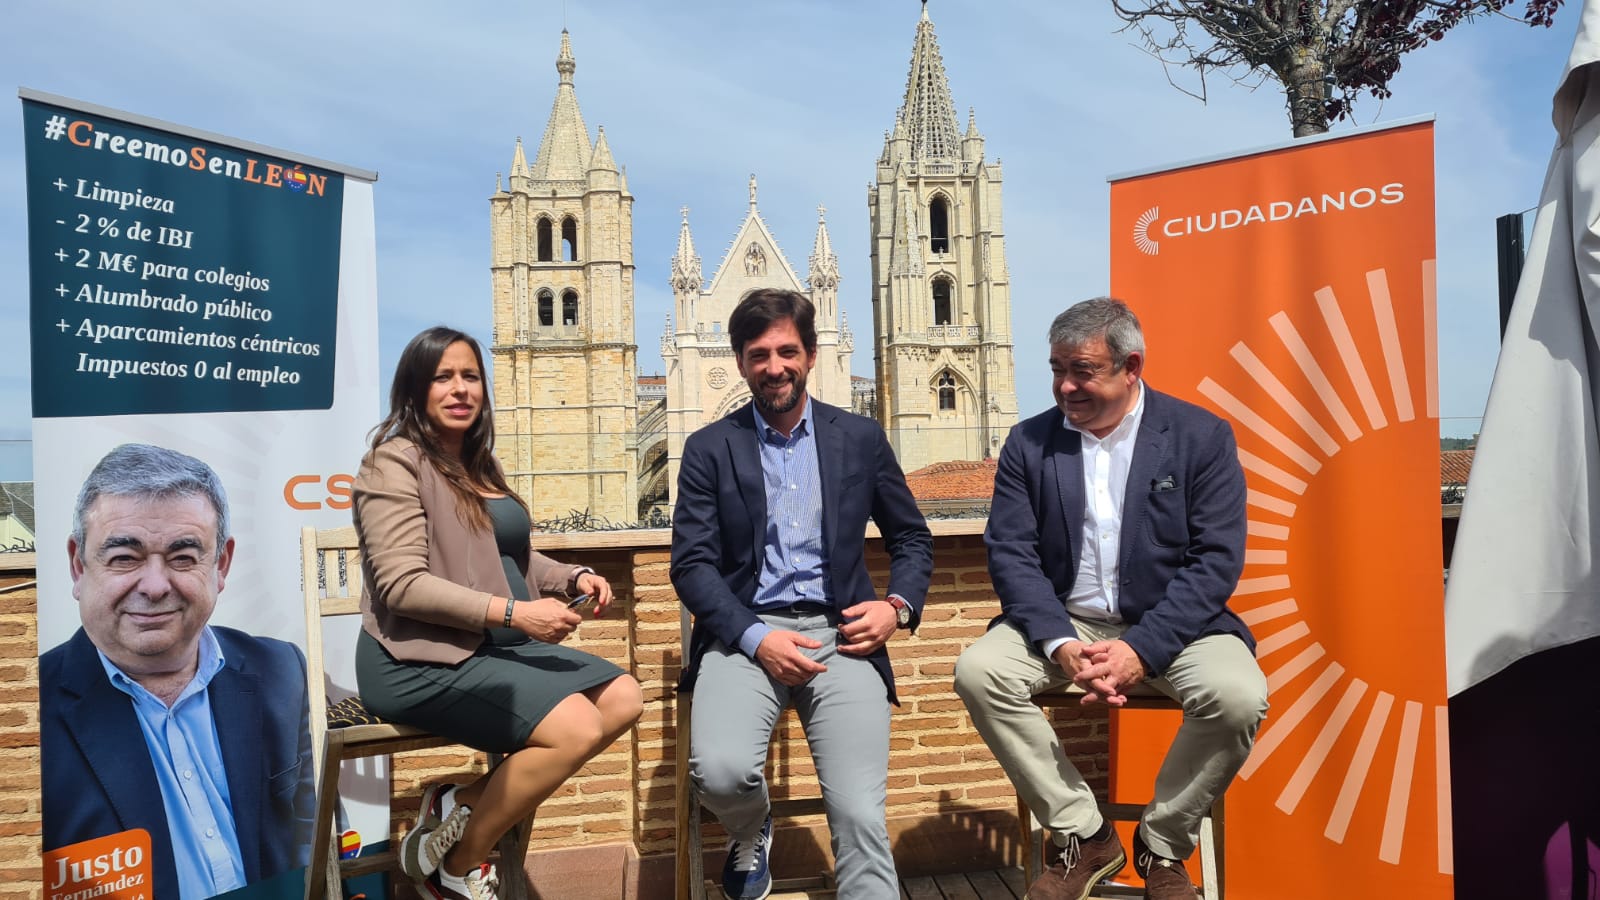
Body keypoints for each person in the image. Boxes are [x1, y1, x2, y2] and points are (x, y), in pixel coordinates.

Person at [953, 298, 1269, 900]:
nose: (1065, 386)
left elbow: (1215, 561)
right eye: (1056, 369)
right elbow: (1012, 553)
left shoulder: (1199, 437)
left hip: (1176, 627)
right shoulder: (1028, 443)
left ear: (1132, 367)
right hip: (1063, 623)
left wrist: (1141, 651)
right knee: (978, 671)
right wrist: (1060, 642)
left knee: (1238, 696)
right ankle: (1084, 833)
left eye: (1082, 371)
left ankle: (1163, 845)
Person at [352, 326, 643, 900]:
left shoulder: (476, 465)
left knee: (625, 697)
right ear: (415, 390)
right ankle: (458, 866)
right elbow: (400, 586)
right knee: (576, 727)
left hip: (489, 646)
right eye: (443, 377)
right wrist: (515, 615)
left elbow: (512, 557)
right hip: (416, 657)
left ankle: (457, 803)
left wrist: (570, 578)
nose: (460, 389)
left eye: (470, 376)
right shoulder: (393, 463)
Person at [671, 289, 933, 900]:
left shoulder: (860, 439)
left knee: (861, 816)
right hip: (745, 634)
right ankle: (750, 825)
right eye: (758, 354)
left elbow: (912, 538)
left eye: (788, 350)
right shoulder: (710, 447)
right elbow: (691, 564)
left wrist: (896, 607)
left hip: (843, 637)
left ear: (812, 355)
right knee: (721, 775)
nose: (774, 366)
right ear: (739, 362)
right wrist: (757, 638)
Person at [40, 443, 314, 900]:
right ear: (78, 564)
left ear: (220, 565)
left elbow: (315, 834)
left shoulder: (283, 672)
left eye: (183, 557)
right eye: (124, 557)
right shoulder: (32, 710)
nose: (154, 586)